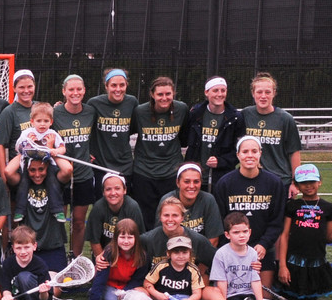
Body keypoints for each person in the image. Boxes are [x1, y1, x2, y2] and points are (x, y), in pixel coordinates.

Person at [212, 135, 286, 291]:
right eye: (245, 151)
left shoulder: (274, 183)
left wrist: (264, 244)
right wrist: (233, 246)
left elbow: (277, 221)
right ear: (238, 155)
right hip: (232, 247)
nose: (250, 155)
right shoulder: (225, 183)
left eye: (254, 151)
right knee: (231, 293)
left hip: (261, 248)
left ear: (260, 153)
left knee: (265, 296)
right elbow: (220, 219)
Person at [276, 163, 332, 300]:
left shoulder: (329, 208)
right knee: (288, 297)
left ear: (319, 182)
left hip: (315, 261)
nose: (308, 186)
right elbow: (284, 236)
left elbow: (329, 238)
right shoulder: (292, 206)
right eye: (303, 183)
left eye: (312, 181)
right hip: (293, 262)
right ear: (296, 185)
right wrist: (282, 266)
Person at [129, 76, 190, 228]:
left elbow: (185, 137)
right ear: (152, 94)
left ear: (173, 93)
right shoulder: (140, 112)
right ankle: (148, 251)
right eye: (160, 94)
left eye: (168, 94)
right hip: (144, 172)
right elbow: (126, 132)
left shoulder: (181, 109)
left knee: (171, 217)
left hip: (171, 172)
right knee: (146, 219)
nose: (164, 98)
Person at [86, 218, 162, 300]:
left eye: (130, 237)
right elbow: (100, 279)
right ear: (116, 238)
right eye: (122, 237)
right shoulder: (109, 253)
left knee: (142, 294)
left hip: (128, 286)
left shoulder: (142, 256)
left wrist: (124, 292)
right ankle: (94, 294)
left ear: (136, 238)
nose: (126, 241)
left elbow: (137, 279)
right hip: (110, 284)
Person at [3, 153, 71, 274]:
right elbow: (8, 171)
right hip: (27, 248)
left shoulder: (55, 180)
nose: (37, 174)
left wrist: (50, 152)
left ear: (48, 167)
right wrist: (25, 151)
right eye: (32, 170)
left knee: (55, 286)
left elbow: (68, 169)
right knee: (26, 282)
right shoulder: (21, 183)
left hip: (52, 246)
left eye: (41, 169)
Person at [53, 74, 96, 257]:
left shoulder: (91, 111)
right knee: (59, 221)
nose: (75, 93)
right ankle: (59, 258)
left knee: (79, 221)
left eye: (79, 89)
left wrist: (93, 151)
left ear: (84, 90)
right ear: (64, 91)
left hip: (83, 175)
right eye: (71, 89)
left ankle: (75, 260)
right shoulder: (55, 113)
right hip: (60, 175)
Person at [209, 212, 273, 300]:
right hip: (231, 295)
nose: (241, 235)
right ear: (227, 235)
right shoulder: (221, 254)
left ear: (250, 232)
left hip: (248, 294)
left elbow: (255, 280)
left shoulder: (253, 253)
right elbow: (221, 282)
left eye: (245, 231)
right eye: (236, 232)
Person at [240, 72, 302, 194]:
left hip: (280, 180)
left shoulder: (285, 119)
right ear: (253, 93)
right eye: (259, 92)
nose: (263, 96)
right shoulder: (245, 115)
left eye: (267, 92)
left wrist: (295, 182)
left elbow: (294, 152)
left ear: (274, 93)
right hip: (252, 179)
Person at [12, 101, 68, 224]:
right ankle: (20, 210)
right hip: (29, 164)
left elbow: (63, 148)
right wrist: (26, 143)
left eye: (46, 121)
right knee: (23, 184)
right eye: (39, 121)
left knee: (53, 184)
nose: (42, 124)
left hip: (48, 165)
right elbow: (18, 148)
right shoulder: (27, 133)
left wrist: (54, 150)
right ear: (32, 121)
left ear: (51, 122)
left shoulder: (52, 134)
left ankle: (57, 210)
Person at [185, 76, 245, 191]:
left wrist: (221, 161)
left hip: (221, 177)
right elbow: (185, 140)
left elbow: (238, 151)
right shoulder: (195, 114)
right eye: (215, 90)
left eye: (223, 90)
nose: (220, 94)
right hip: (195, 177)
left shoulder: (236, 118)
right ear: (206, 92)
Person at [143, 235, 211, 300]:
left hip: (186, 299)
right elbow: (147, 282)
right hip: (166, 298)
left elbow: (197, 293)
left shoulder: (193, 269)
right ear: (168, 253)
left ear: (190, 254)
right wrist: (157, 295)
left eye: (184, 252)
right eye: (176, 252)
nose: (181, 256)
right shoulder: (161, 266)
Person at [0, 226, 53, 300]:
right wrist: (7, 296)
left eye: (27, 247)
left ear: (34, 246)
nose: (23, 252)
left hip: (36, 299)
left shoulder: (40, 265)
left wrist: (43, 292)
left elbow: (45, 299)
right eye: (18, 248)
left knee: (24, 277)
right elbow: (6, 287)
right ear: (13, 249)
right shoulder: (8, 263)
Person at [87, 68, 138, 188]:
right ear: (106, 86)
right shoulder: (94, 103)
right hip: (100, 164)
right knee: (101, 203)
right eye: (113, 85)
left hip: (125, 164)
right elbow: (85, 127)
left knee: (124, 201)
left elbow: (135, 127)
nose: (118, 89)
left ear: (127, 85)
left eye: (122, 85)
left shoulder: (132, 102)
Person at [141, 196, 216, 273]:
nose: (170, 220)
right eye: (166, 215)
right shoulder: (147, 240)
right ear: (160, 217)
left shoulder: (197, 240)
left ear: (182, 217)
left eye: (175, 215)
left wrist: (203, 277)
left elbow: (216, 262)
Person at [155, 163, 224, 246]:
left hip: (201, 254)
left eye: (196, 182)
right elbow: (160, 237)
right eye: (187, 182)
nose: (191, 186)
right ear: (178, 182)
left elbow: (213, 239)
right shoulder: (167, 201)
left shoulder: (208, 200)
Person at [85, 173, 144, 257]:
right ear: (103, 192)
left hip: (127, 254)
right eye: (108, 189)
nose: (113, 193)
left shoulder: (132, 207)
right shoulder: (98, 207)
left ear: (124, 190)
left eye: (117, 188)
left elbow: (139, 238)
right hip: (104, 254)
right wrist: (102, 261)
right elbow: (94, 240)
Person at [0, 69, 38, 176]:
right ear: (14, 88)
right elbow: (0, 146)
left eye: (29, 86)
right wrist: (4, 179)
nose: (26, 91)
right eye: (21, 87)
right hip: (20, 171)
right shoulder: (9, 112)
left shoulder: (39, 107)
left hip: (41, 170)